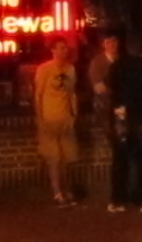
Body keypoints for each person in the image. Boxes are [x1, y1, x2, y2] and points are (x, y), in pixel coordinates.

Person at [106, 37, 142, 214]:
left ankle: (119, 200)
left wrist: (115, 121)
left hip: (122, 116)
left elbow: (111, 94)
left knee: (121, 161)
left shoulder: (118, 66)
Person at [33, 37, 80, 207]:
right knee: (54, 157)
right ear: (53, 50)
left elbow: (72, 93)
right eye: (61, 48)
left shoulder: (70, 70)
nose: (64, 51)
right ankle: (57, 191)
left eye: (65, 48)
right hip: (49, 117)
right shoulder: (44, 69)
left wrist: (74, 114)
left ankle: (66, 189)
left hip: (65, 117)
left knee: (67, 157)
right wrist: (40, 118)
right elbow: (38, 95)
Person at [88, 31, 121, 126]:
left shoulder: (122, 61)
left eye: (114, 41)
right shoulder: (96, 63)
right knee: (108, 129)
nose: (111, 45)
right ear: (103, 45)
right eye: (108, 42)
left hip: (120, 104)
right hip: (104, 105)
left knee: (121, 126)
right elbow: (98, 88)